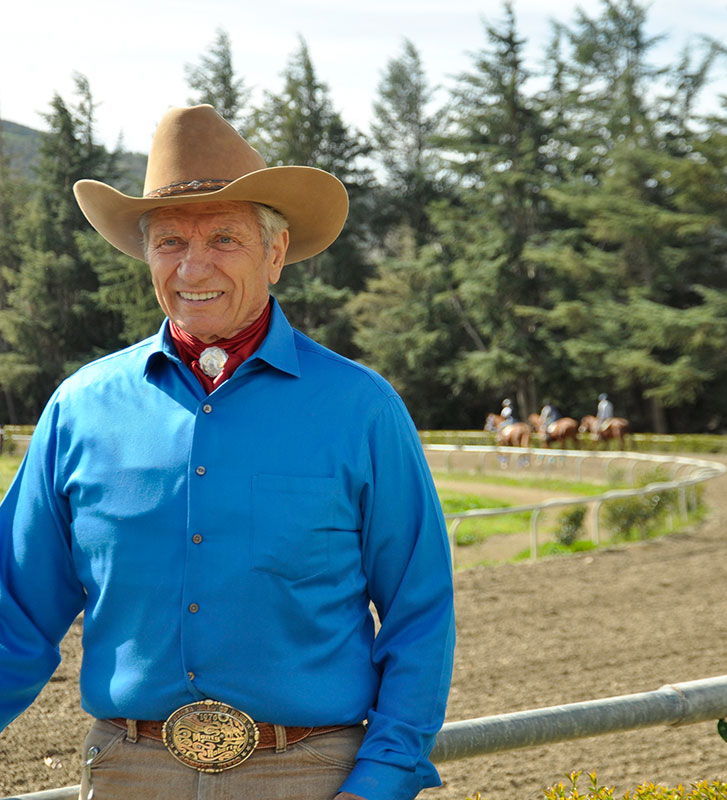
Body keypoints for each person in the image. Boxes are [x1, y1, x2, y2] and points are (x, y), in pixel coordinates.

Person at [0, 105, 455, 800]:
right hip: (129, 773)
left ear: (276, 252)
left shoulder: (362, 410)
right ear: (145, 255)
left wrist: (383, 780)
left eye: (224, 239)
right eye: (170, 241)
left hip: (310, 776)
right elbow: (15, 614)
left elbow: (419, 612)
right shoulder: (79, 408)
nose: (193, 265)